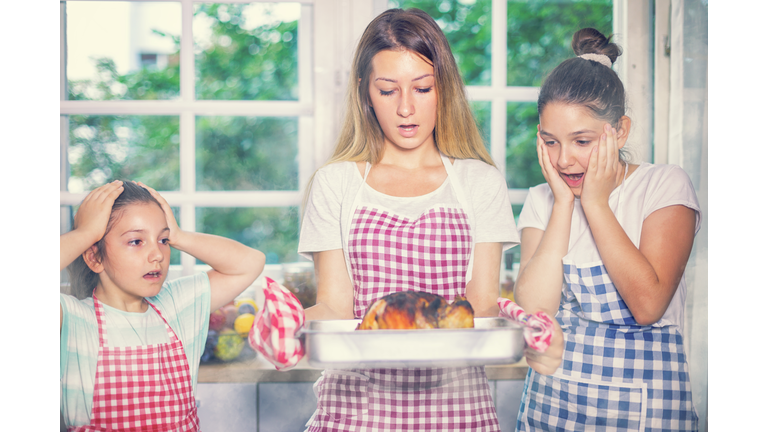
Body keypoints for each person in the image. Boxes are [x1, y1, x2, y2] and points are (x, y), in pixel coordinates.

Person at [297, 8, 563, 431]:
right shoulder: (336, 183)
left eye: (422, 88)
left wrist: (530, 330)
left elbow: (481, 306)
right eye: (388, 91)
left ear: (445, 89)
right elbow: (334, 306)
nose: (406, 108)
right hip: (355, 412)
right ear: (365, 92)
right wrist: (290, 328)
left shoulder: (479, 181)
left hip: (458, 411)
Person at [512, 27, 700, 431]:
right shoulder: (541, 200)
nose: (564, 160)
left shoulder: (664, 186)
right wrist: (564, 203)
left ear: (621, 131)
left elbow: (648, 305)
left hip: (645, 412)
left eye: (582, 141)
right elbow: (534, 311)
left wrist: (595, 203)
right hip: (553, 408)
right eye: (550, 142)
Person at [59, 180, 266, 431]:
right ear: (94, 257)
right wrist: (85, 234)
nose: (157, 254)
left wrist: (179, 235)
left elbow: (250, 262)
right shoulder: (73, 320)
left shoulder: (177, 307)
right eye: (136, 241)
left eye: (163, 241)